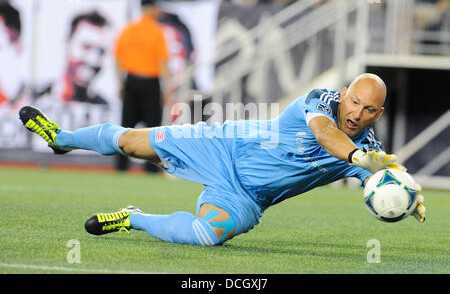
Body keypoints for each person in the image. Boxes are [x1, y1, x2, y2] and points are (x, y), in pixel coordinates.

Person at [19, 73, 426, 246]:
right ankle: (62, 138)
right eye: (354, 100)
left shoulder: (370, 152)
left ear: (379, 114)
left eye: (368, 109)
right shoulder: (320, 101)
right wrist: (362, 157)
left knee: (205, 236)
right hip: (222, 145)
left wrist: (401, 190)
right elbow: (326, 134)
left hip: (247, 197)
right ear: (345, 94)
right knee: (130, 143)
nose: (356, 112)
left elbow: (378, 180)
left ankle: (131, 217)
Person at [114, 0, 171, 173]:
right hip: (150, 84)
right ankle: (151, 168)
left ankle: (121, 167)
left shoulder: (128, 29)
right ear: (152, 8)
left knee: (125, 128)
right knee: (153, 130)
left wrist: (121, 84)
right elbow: (163, 64)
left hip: (131, 82)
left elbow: (117, 59)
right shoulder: (157, 31)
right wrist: (167, 89)